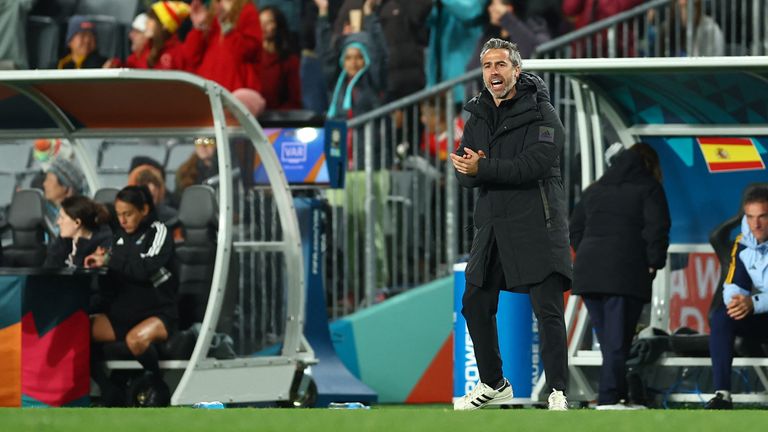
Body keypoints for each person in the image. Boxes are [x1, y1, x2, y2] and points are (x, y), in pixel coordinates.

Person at [449, 38, 571, 411]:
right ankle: (494, 384)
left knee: (547, 309)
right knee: (474, 302)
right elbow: (466, 170)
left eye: (501, 65)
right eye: (487, 66)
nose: (493, 72)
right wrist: (471, 171)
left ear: (516, 70)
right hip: (493, 225)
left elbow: (534, 164)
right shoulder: (478, 114)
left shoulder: (542, 112)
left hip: (537, 223)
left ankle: (558, 392)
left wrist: (483, 168)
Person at [569, 143, 671, 410]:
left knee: (609, 340)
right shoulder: (649, 187)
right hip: (624, 271)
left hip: (589, 271)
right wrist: (653, 262)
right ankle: (609, 398)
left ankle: (618, 395)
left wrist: (590, 252)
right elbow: (658, 227)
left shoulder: (596, 189)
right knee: (618, 340)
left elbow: (574, 228)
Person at [85, 186, 178, 405]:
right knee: (79, 330)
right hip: (122, 314)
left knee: (135, 340)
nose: (123, 220)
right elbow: (115, 276)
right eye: (119, 215)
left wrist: (110, 261)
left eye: (128, 214)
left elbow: (145, 269)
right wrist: (100, 267)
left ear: (144, 209)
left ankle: (157, 385)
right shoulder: (118, 239)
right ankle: (109, 389)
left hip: (157, 312)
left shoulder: (158, 232)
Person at [705, 184, 768, 410]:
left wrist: (755, 303)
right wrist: (737, 302)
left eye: (762, 217)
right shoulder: (743, 243)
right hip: (762, 313)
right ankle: (722, 394)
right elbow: (733, 282)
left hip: (762, 307)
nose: (756, 224)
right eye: (750, 217)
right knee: (723, 316)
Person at [184, 0, 263, 92]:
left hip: (234, 93)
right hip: (208, 92)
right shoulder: (210, 13)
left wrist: (227, 27)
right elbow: (191, 57)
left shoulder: (248, 10)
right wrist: (199, 27)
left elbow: (250, 52)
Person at [44, 195, 113, 268]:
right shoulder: (63, 241)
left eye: (62, 218)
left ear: (77, 223)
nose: (58, 222)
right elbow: (49, 269)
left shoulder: (102, 245)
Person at [259, 6, 302, 110]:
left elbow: (294, 101)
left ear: (278, 25)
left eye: (268, 22)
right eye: (260, 22)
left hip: (278, 120)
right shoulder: (251, 59)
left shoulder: (290, 61)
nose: (263, 26)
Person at [135, 1, 191, 70]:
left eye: (151, 19)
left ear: (164, 26)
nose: (146, 22)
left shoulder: (177, 53)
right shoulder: (146, 47)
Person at [43, 157, 87, 235]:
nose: (45, 184)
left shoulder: (80, 216)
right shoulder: (41, 210)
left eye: (50, 180)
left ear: (66, 187)